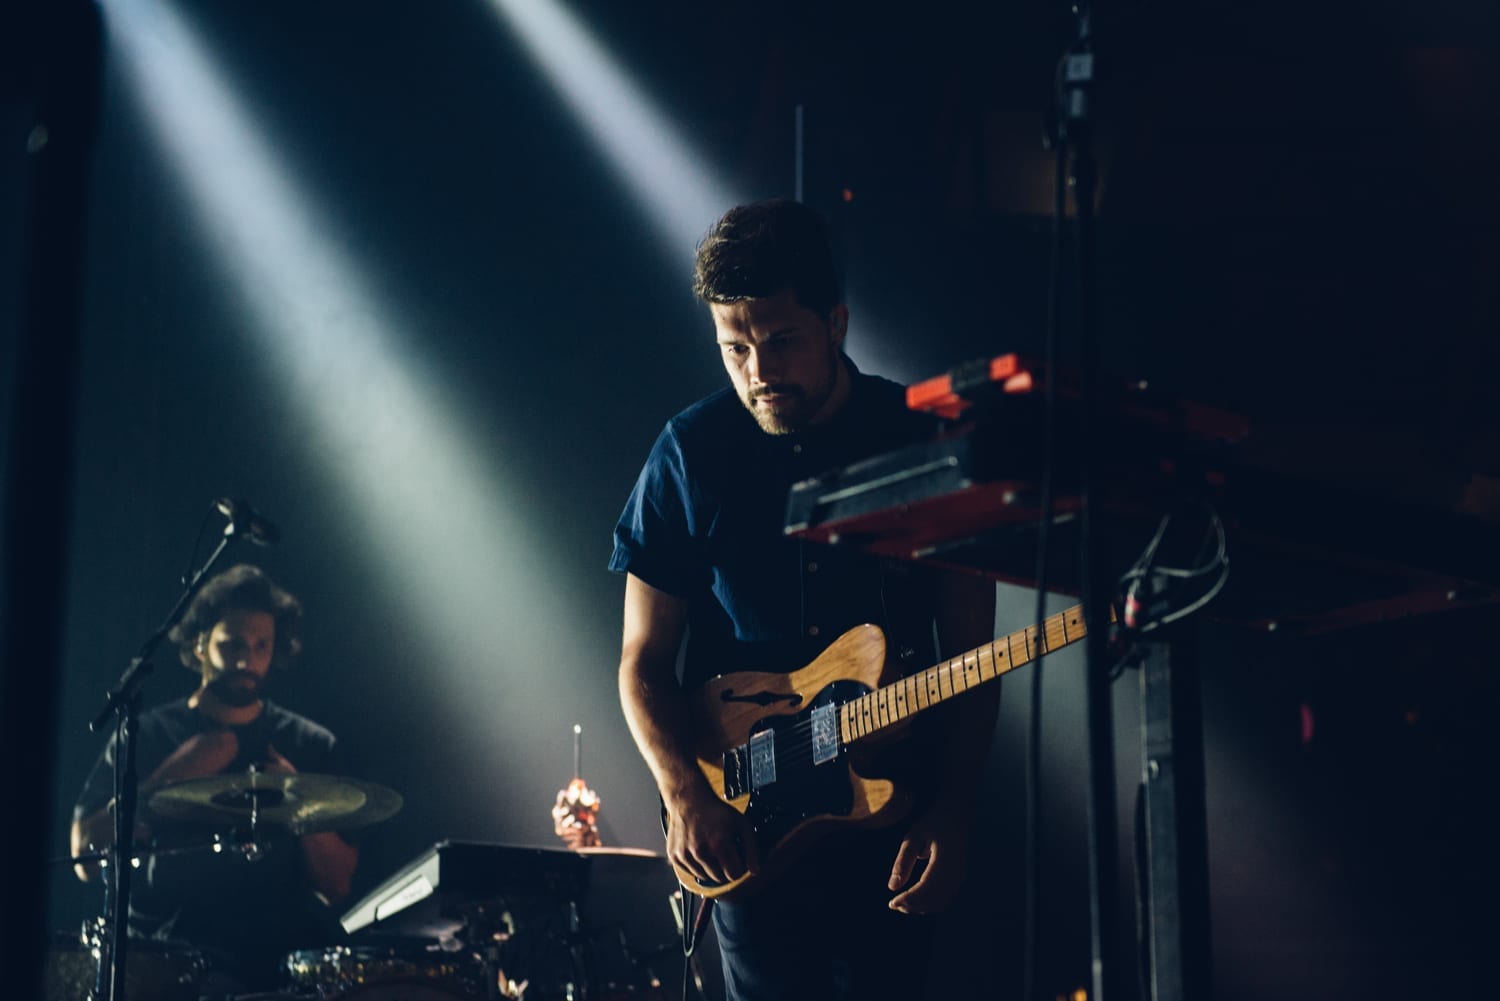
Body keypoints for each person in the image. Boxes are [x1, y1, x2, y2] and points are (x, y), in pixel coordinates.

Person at [610, 199, 999, 1000]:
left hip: (897, 817)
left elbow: (973, 656)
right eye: (735, 348)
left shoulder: (922, 439)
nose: (759, 371)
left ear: (837, 323)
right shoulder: (689, 453)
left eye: (782, 340)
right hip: (746, 825)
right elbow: (642, 661)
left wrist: (954, 812)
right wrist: (685, 795)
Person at [71, 563, 359, 993]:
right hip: (163, 962)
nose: (247, 660)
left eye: (262, 646)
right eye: (233, 644)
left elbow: (337, 885)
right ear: (200, 644)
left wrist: (299, 800)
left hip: (275, 966)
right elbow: (84, 857)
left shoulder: (308, 744)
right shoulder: (146, 735)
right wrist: (173, 777)